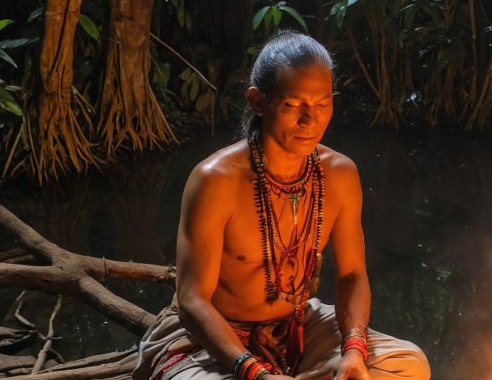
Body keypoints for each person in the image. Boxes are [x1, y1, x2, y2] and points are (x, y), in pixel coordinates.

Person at [132, 30, 431, 380]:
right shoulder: (215, 180)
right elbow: (192, 301)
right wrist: (255, 373)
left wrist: (353, 349)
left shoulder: (340, 174)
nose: (310, 120)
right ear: (258, 101)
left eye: (322, 105)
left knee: (409, 364)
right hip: (210, 342)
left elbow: (352, 275)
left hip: (295, 329)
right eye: (292, 105)